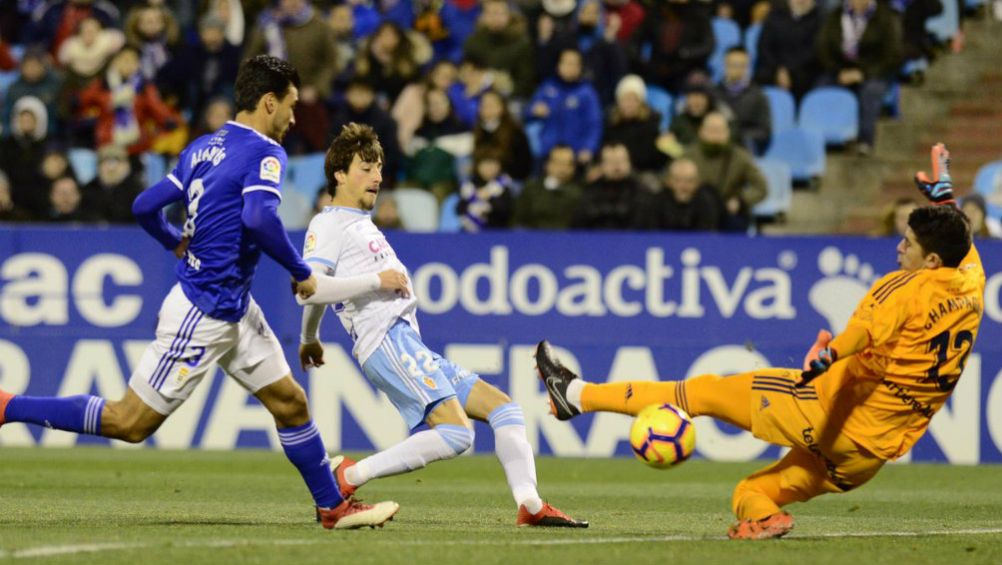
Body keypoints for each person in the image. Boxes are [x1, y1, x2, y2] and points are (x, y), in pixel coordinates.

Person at [0, 56, 398, 531]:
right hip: (204, 308)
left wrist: (175, 242)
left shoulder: (202, 149)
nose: (294, 118)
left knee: (290, 402)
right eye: (290, 106)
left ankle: (332, 506)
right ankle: (7, 406)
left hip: (234, 307)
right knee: (130, 422)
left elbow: (145, 206)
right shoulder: (266, 153)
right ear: (269, 102)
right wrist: (299, 270)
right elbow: (258, 218)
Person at [535, 143, 983, 540]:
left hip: (827, 409)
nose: (899, 248)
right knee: (752, 491)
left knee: (701, 392)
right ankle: (767, 519)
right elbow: (958, 242)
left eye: (908, 244)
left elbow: (863, 332)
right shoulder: (972, 283)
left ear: (932, 261)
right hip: (867, 455)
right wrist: (946, 200)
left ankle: (575, 395)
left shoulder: (902, 288)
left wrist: (832, 355)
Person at [297, 122, 587, 528]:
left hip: (407, 342)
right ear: (339, 175)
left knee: (504, 409)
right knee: (458, 435)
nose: (377, 177)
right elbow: (309, 289)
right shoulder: (328, 224)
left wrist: (310, 338)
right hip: (386, 341)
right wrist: (375, 281)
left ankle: (531, 505)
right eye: (366, 167)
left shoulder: (359, 222)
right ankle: (348, 475)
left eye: (379, 167)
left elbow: (317, 293)